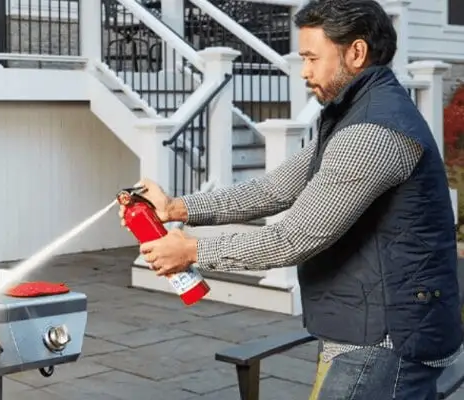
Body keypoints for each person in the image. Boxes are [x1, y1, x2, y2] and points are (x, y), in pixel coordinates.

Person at [120, 0, 463, 398]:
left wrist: (192, 251)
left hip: (387, 341)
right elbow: (276, 189)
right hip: (362, 325)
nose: (304, 72)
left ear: (356, 52)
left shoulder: (374, 132)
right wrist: (177, 208)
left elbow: (294, 238)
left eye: (312, 58)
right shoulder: (350, 115)